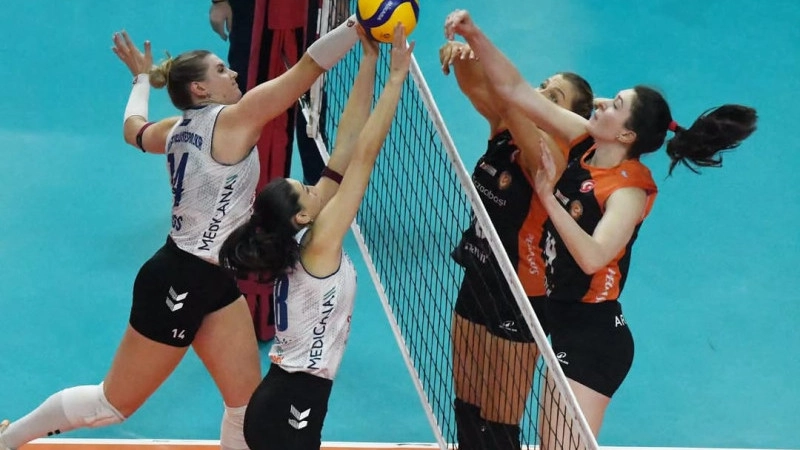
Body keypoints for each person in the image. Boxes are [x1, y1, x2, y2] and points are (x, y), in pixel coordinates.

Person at [0, 15, 360, 450]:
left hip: (216, 279)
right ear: (200, 89)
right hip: (177, 278)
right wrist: (358, 25)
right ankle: (10, 438)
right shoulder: (236, 120)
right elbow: (306, 68)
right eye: (221, 70)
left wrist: (140, 80)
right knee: (111, 404)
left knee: (245, 406)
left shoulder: (176, 129)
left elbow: (133, 130)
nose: (233, 73)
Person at [444, 8, 758, 447]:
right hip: (562, 320)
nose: (602, 102)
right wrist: (474, 34)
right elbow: (514, 90)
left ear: (626, 136)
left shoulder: (628, 191)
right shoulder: (584, 143)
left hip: (594, 338)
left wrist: (548, 196)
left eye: (616, 105)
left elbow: (593, 256)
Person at [218, 23, 413, 450]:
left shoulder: (302, 236)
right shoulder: (320, 243)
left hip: (284, 401)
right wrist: (396, 78)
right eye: (307, 189)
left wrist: (369, 62)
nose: (315, 186)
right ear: (301, 215)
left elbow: (345, 146)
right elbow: (363, 159)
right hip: (290, 410)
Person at [440, 40, 594, 450]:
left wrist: (497, 77)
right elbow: (478, 89)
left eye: (553, 97)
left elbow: (509, 104)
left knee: (499, 425)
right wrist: (462, 58)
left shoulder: (552, 155)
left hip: (520, 296)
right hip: (479, 275)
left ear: (567, 118)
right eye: (542, 86)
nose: (539, 94)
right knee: (466, 409)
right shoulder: (505, 128)